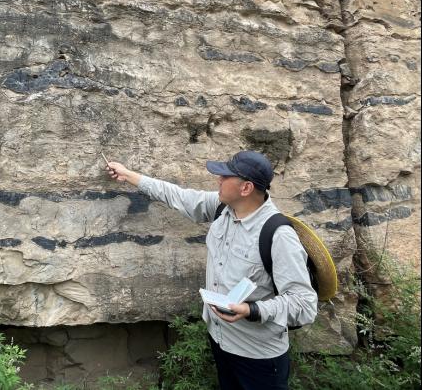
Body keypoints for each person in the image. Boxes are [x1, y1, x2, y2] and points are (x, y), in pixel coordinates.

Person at [105, 151, 317, 390]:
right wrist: (128, 175)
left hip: (259, 357)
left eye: (225, 177)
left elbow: (305, 304)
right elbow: (177, 195)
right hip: (221, 341)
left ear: (246, 188)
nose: (218, 180)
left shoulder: (279, 236)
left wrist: (252, 310)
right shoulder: (222, 207)